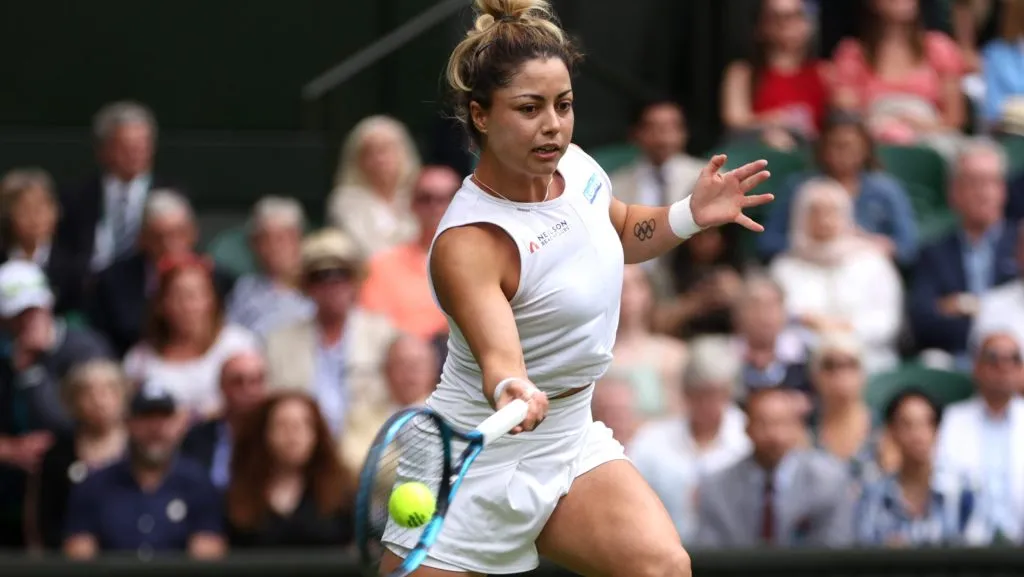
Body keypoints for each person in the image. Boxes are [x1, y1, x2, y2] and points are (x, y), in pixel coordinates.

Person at [380, 1, 771, 576]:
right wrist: (512, 386)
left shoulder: (579, 168)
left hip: (568, 437)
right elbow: (498, 355)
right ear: (480, 115)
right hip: (472, 459)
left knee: (663, 568)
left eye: (563, 105)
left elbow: (619, 230)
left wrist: (689, 214)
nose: (553, 125)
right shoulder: (470, 241)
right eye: (529, 108)